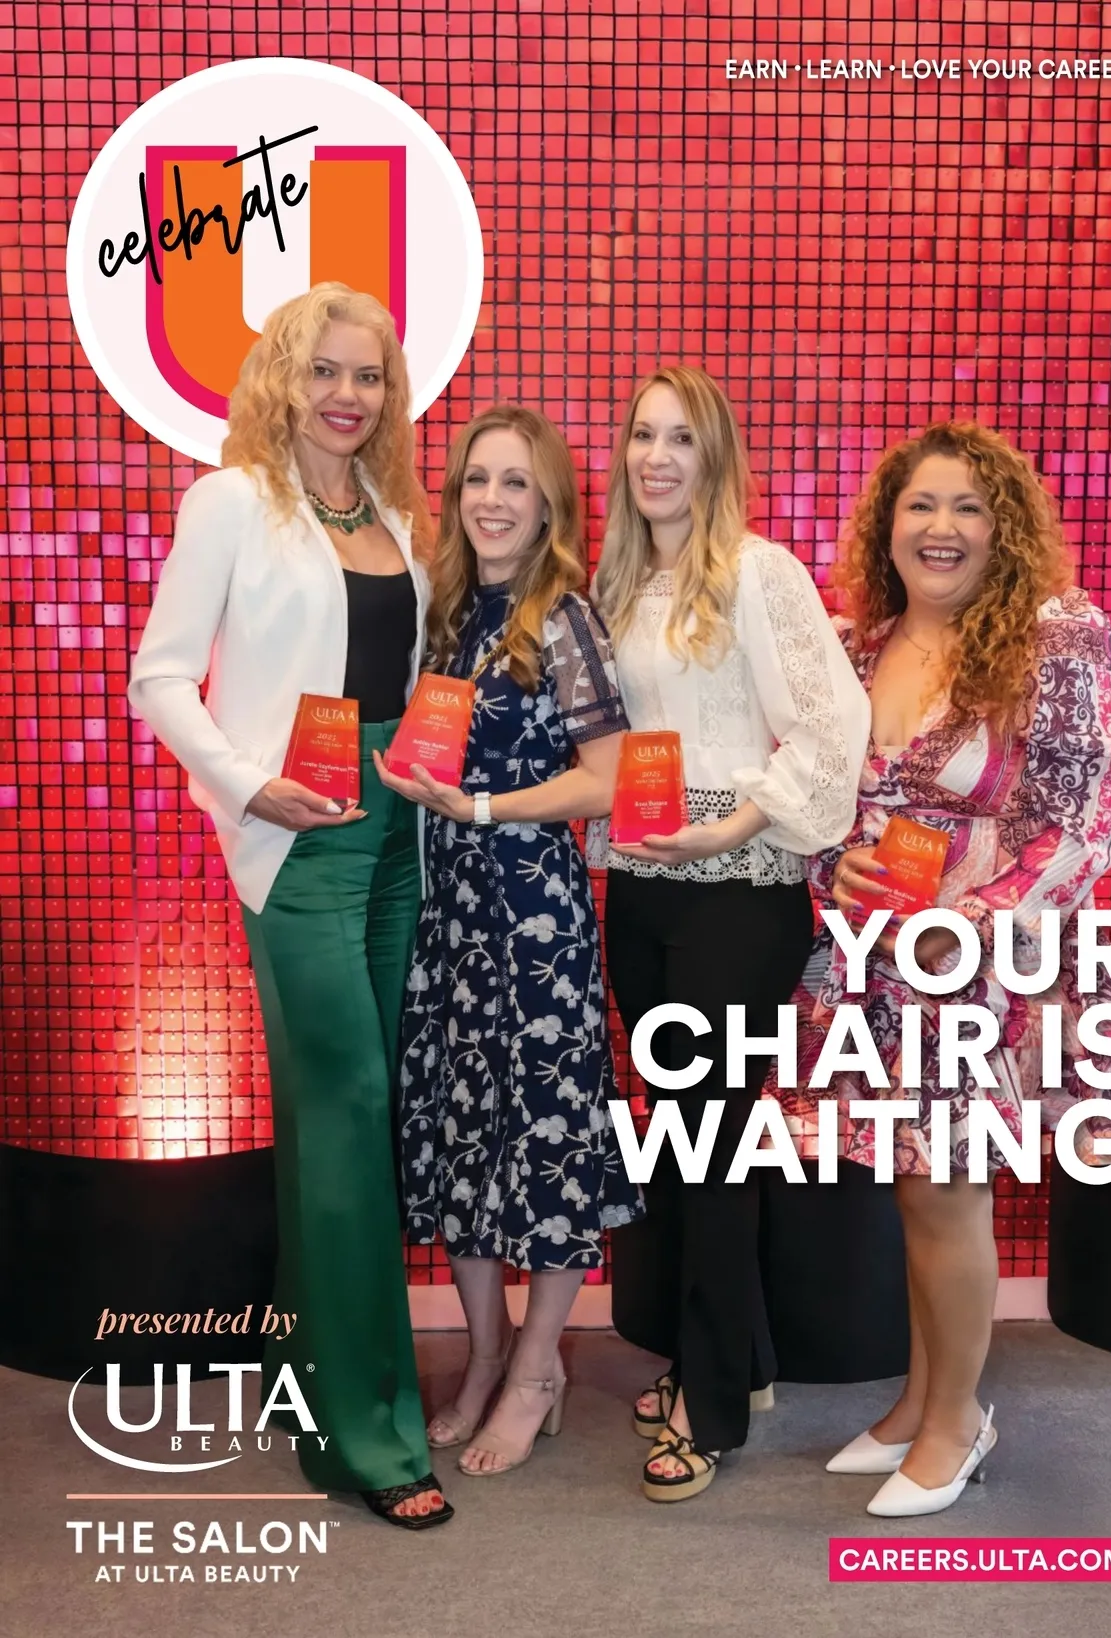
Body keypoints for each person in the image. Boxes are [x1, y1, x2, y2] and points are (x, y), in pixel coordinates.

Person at [766, 420, 1111, 1517]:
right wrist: (834, 867)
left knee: (948, 1189)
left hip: (984, 967)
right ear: (886, 526)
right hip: (878, 962)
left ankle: (956, 1426)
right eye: (920, 505)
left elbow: (1099, 803)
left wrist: (976, 923)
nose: (941, 528)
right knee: (915, 1186)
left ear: (1005, 528)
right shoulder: (858, 645)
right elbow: (819, 795)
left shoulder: (1054, 634)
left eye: (968, 507)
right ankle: (919, 1401)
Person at [127, 282, 453, 1529]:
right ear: (282, 378)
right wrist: (245, 783)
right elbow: (159, 676)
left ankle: (306, 1370)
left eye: (368, 376)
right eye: (325, 371)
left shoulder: (394, 513)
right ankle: (368, 1436)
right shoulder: (231, 502)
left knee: (350, 1120)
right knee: (346, 1107)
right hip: (296, 837)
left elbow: (402, 679)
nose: (346, 395)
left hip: (396, 830)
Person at [589, 365, 871, 1502]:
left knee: (709, 1144)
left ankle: (708, 1412)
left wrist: (737, 825)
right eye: (642, 435)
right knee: (680, 1136)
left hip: (737, 890)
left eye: (682, 439)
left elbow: (832, 725)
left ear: (715, 458)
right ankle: (736, 1363)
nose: (657, 457)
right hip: (639, 886)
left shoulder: (760, 571)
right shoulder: (614, 583)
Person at [375, 404, 642, 1478]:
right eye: (476, 479)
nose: (492, 500)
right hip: (451, 918)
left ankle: (537, 1370)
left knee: (546, 1137)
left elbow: (608, 779)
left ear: (549, 506)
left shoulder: (563, 618)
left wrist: (482, 809)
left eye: (515, 483)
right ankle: (486, 1356)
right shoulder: (445, 613)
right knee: (465, 1135)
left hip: (532, 915)